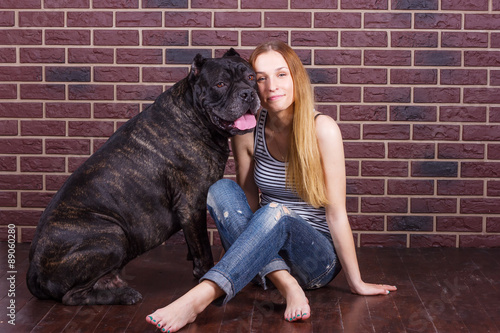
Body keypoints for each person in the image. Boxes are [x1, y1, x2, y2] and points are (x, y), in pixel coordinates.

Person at [146, 41, 397, 332]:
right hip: (267, 255)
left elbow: (336, 213)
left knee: (276, 210)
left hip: (316, 261)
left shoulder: (322, 129)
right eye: (261, 78)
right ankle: (286, 284)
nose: (271, 86)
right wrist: (247, 253)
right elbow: (247, 202)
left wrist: (356, 282)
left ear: (296, 78)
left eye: (281, 75)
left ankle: (197, 299)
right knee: (220, 191)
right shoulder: (247, 129)